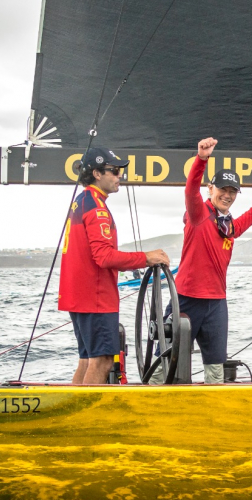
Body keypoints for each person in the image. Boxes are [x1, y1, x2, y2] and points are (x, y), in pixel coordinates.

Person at [151, 137, 252, 385]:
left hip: (217, 303)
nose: (228, 195)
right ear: (210, 189)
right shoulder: (199, 213)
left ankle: (211, 411)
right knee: (166, 359)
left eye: (233, 192)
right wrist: (201, 159)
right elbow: (190, 191)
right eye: (223, 189)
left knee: (216, 366)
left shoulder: (230, 226)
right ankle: (151, 399)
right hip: (187, 299)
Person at [59, 147, 169, 384]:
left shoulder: (82, 201)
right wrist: (146, 257)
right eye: (115, 171)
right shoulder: (97, 207)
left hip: (79, 294)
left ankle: (75, 413)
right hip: (95, 296)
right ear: (97, 173)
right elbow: (104, 257)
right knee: (103, 360)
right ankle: (87, 418)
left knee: (88, 359)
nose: (120, 176)